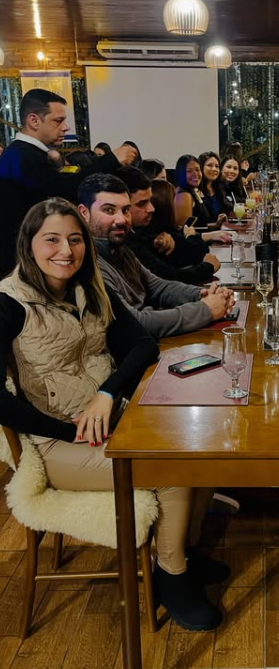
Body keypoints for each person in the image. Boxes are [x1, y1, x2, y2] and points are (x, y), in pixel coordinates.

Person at [0, 197, 227, 630]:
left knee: (201, 442)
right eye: (51, 240)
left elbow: (142, 344)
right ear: (28, 244)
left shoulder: (89, 288)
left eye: (75, 240)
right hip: (56, 443)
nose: (66, 251)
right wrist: (65, 431)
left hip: (113, 417)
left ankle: (182, 551)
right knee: (172, 468)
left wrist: (107, 392)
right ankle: (172, 576)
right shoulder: (9, 303)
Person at [77, 174, 233, 339]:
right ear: (84, 213)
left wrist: (207, 294)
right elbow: (135, 323)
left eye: (126, 210)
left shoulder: (120, 248)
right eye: (109, 210)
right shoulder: (87, 263)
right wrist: (206, 309)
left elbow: (159, 287)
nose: (121, 219)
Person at [0, 89, 136, 278]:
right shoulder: (22, 156)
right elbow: (64, 190)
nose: (65, 128)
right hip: (21, 267)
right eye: (58, 121)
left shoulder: (24, 154)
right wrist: (111, 160)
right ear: (34, 121)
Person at [116, 167, 221, 284]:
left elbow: (194, 253)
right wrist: (207, 267)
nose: (151, 208)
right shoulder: (126, 241)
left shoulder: (142, 233)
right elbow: (167, 278)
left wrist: (161, 240)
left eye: (150, 201)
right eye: (142, 204)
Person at [199, 151, 232, 222]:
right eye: (209, 165)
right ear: (201, 168)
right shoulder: (197, 190)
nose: (214, 169)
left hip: (222, 227)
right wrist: (216, 223)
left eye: (217, 166)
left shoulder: (219, 187)